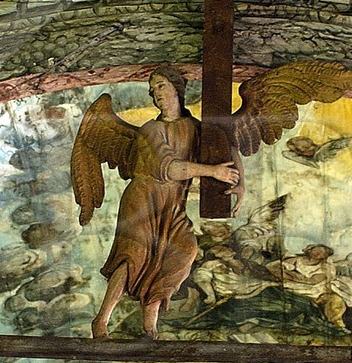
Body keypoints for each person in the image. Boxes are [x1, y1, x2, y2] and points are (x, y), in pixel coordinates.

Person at [77, 68, 239, 339]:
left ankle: (149, 326)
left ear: (177, 89)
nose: (156, 94)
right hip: (144, 197)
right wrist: (212, 172)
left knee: (182, 252)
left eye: (161, 86)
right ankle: (101, 321)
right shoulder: (151, 130)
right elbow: (169, 168)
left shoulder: (195, 128)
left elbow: (225, 146)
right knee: (134, 257)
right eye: (152, 90)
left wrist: (239, 181)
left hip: (173, 202)